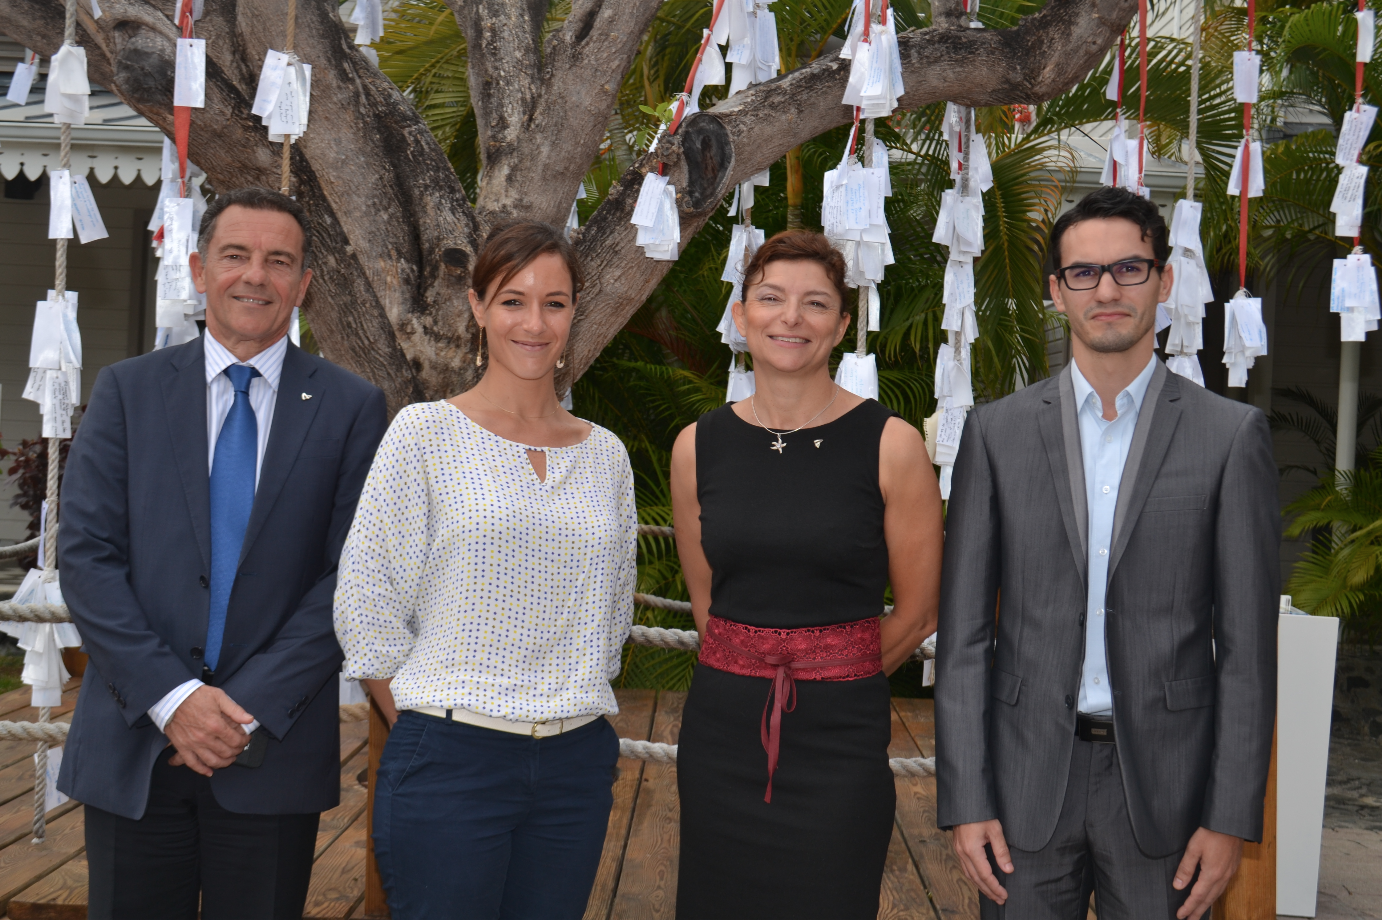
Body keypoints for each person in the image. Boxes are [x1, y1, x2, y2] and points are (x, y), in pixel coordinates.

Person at [935, 186, 1280, 920]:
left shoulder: (1230, 438)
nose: (1108, 289)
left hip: (1170, 794)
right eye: (1084, 273)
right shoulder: (996, 436)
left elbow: (1249, 650)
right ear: (1057, 292)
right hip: (1025, 790)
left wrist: (1228, 818)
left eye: (1129, 267)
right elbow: (963, 639)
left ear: (1165, 279)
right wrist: (966, 799)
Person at [57, 187, 388, 919]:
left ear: (304, 285)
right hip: (135, 742)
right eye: (235, 255)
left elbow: (352, 576)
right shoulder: (126, 391)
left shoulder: (351, 407)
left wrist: (241, 710)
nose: (255, 276)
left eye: (279, 261)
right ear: (199, 267)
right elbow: (85, 558)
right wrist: (174, 700)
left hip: (268, 750)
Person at [334, 220, 636, 920]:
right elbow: (366, 600)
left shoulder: (607, 456)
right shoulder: (424, 435)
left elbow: (614, 610)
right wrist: (425, 727)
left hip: (575, 764)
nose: (534, 322)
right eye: (512, 300)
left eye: (554, 302)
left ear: (573, 312)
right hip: (450, 757)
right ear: (477, 307)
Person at [670, 230, 943, 920]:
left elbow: (917, 612)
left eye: (815, 303)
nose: (791, 318)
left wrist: (830, 674)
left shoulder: (893, 444)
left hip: (839, 742)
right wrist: (759, 668)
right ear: (741, 316)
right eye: (771, 298)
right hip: (721, 734)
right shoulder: (697, 446)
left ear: (842, 325)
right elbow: (708, 605)